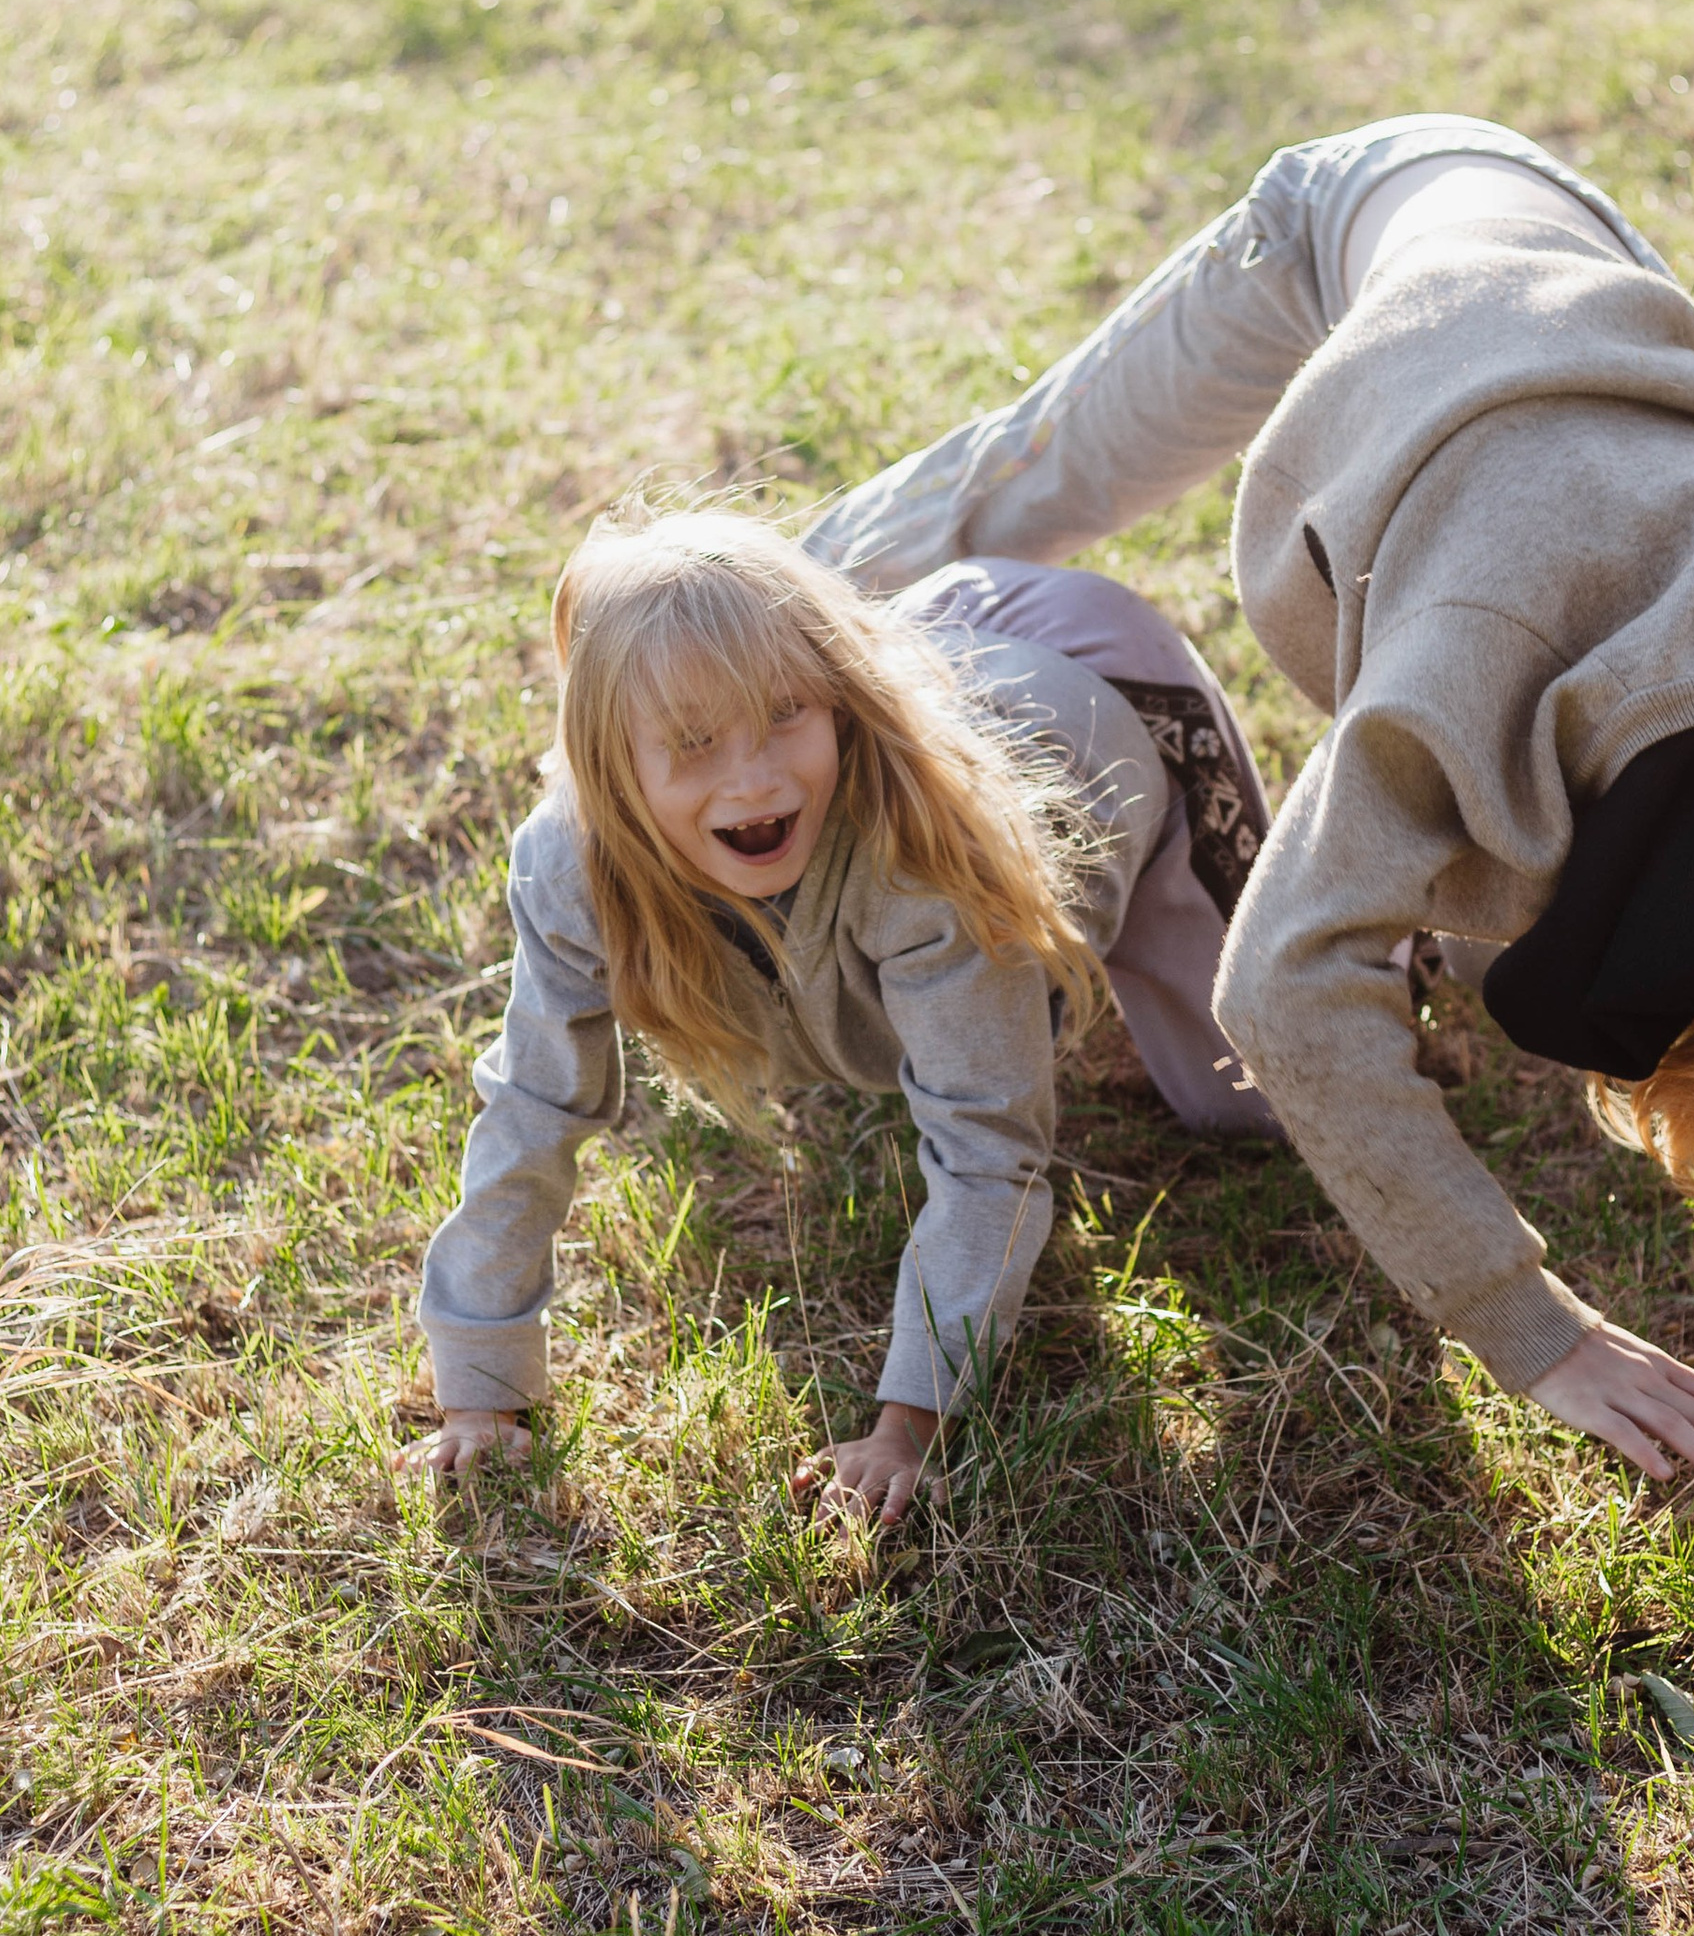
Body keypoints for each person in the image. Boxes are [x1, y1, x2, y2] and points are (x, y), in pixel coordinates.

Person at [806, 114, 1694, 1540]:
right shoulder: (1467, 663)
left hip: (1559, 314)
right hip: (1369, 218)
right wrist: (1537, 1329)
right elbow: (1282, 990)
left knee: (1591, 923)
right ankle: (710, 631)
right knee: (1021, 489)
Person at [410, 507, 1276, 1524]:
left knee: (1255, 1092)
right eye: (692, 740)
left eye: (788, 714)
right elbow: (532, 1111)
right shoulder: (571, 863)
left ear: (835, 705)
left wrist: (907, 1426)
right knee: (894, 1020)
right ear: (611, 767)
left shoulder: (925, 858)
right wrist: (482, 1388)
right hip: (940, 636)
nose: (757, 775)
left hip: (1103, 690)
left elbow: (988, 1149)